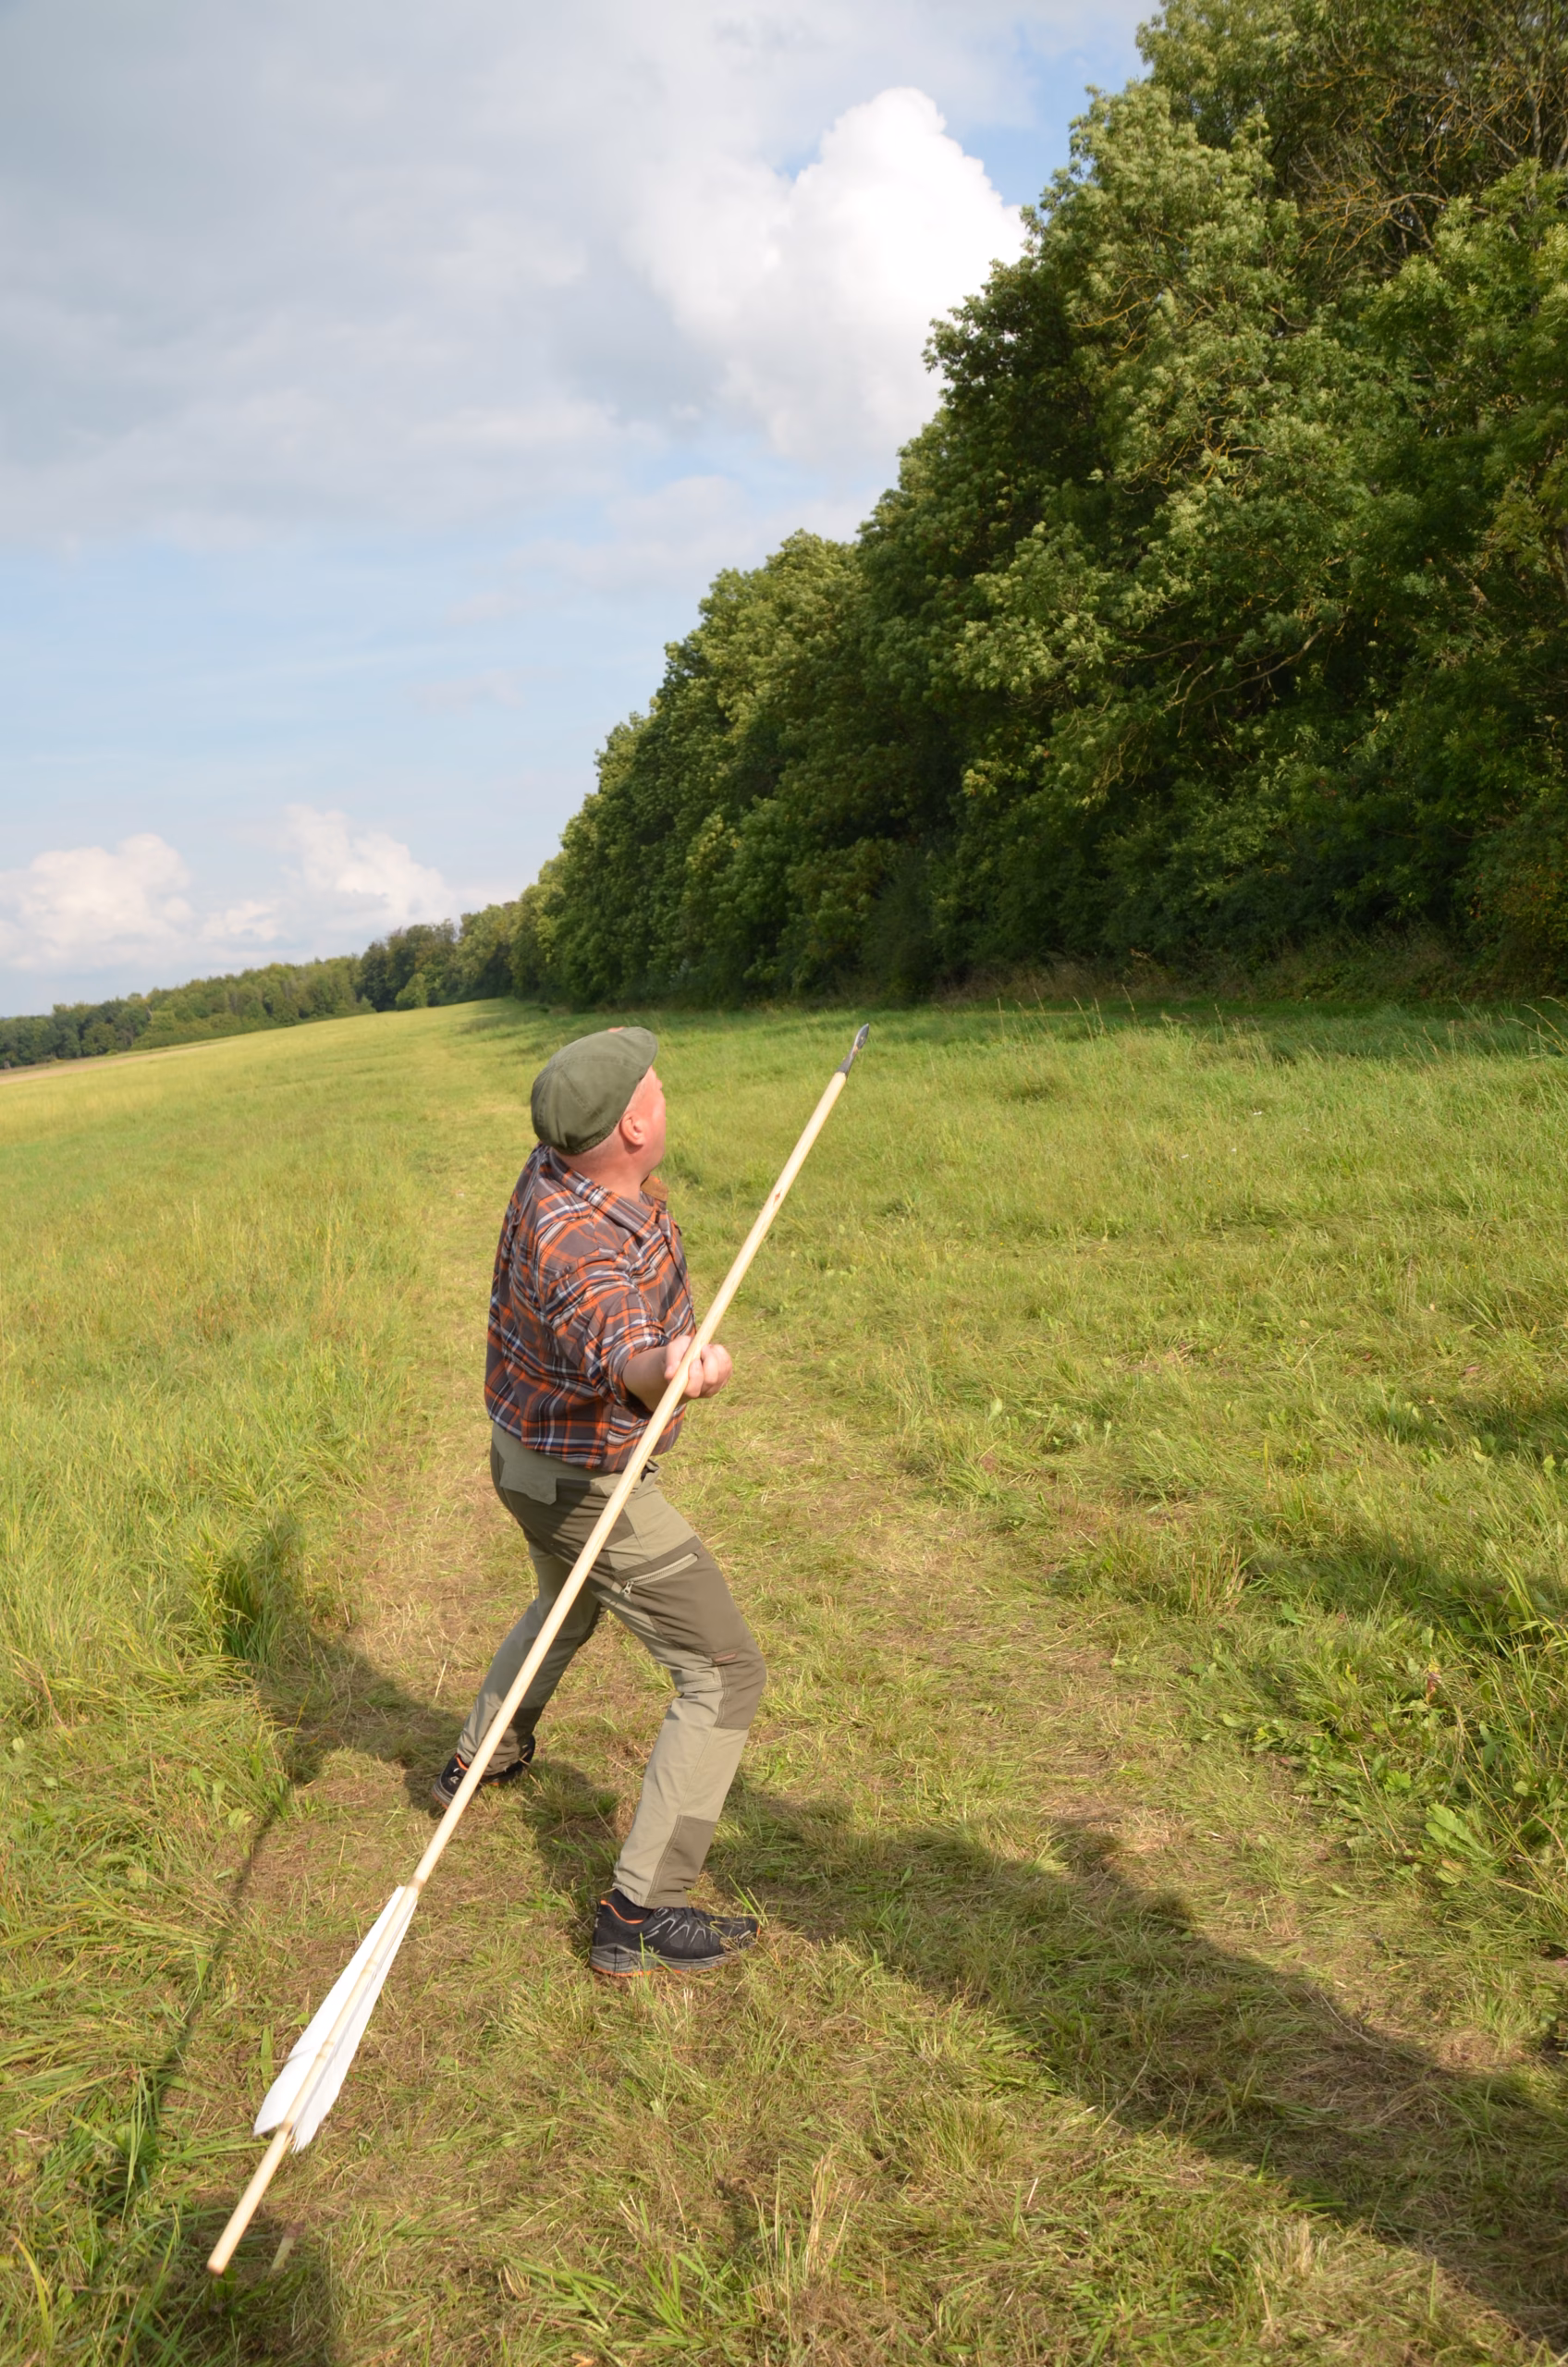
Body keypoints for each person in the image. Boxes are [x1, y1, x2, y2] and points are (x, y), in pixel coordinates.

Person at [432, 1025, 766, 1978]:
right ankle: (641, 1912)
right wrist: (677, 1369)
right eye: (656, 1087)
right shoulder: (579, 1245)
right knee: (724, 1671)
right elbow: (617, 1341)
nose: (666, 1094)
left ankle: (477, 1760)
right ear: (631, 1124)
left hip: (526, 1459)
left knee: (565, 1605)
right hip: (585, 1488)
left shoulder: (562, 1166)